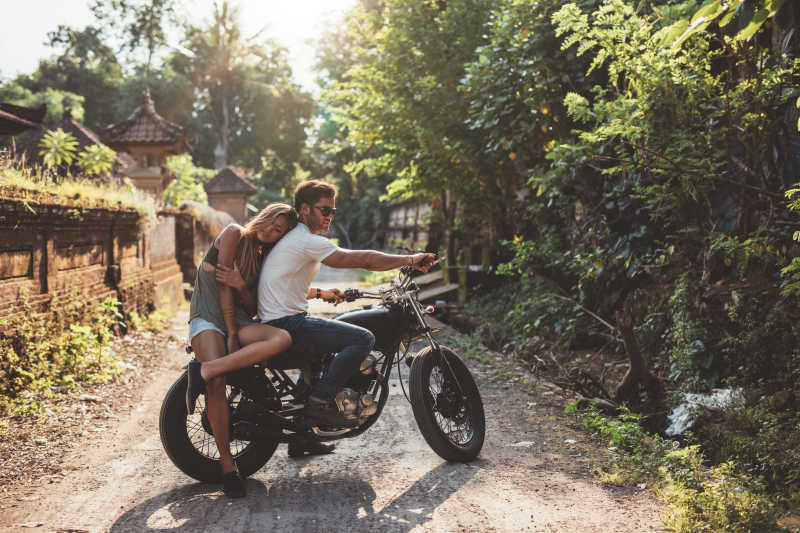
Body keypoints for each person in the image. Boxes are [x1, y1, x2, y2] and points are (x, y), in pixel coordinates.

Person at [257, 179, 436, 428]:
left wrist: (320, 293)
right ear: (305, 209)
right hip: (288, 323)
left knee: (330, 338)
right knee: (362, 339)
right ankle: (319, 403)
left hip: (280, 320)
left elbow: (285, 284)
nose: (330, 216)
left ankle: (302, 436)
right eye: (325, 210)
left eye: (333, 211)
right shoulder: (305, 239)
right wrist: (410, 259)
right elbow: (363, 260)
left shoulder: (296, 238)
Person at [185, 202, 299, 499]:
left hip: (239, 319)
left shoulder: (262, 258)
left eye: (279, 232)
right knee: (217, 385)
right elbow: (223, 286)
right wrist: (232, 333)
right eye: (273, 224)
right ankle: (228, 467)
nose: (273, 233)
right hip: (209, 316)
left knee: (282, 338)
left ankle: (206, 368)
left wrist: (242, 286)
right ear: (264, 216)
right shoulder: (233, 233)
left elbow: (250, 306)